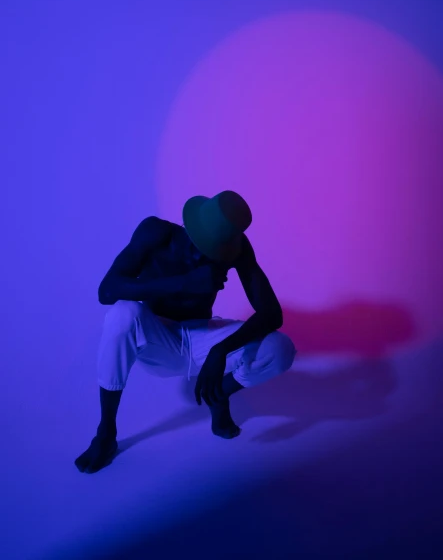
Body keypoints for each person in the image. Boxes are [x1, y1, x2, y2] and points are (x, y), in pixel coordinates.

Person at [75, 190, 296, 474]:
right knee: (121, 314)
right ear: (188, 228)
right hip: (157, 339)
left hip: (203, 336)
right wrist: (182, 283)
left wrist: (220, 351)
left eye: (211, 253)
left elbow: (271, 313)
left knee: (280, 348)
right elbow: (106, 291)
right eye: (195, 246)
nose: (198, 257)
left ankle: (217, 396)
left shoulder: (236, 249)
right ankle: (106, 433)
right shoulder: (155, 232)